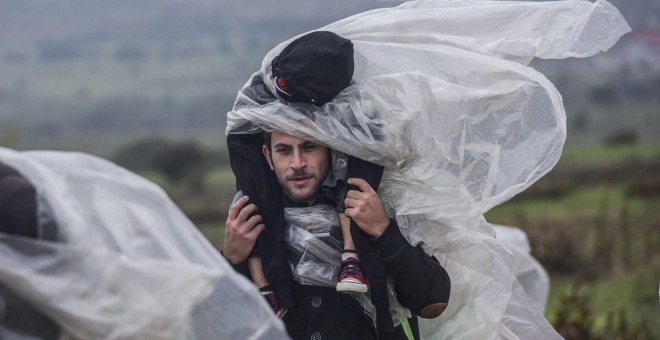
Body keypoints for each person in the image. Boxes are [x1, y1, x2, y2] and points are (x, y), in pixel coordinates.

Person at [223, 130, 451, 340]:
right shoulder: (251, 222)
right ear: (267, 156)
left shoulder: (374, 203)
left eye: (309, 147)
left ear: (331, 151)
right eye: (284, 150)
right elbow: (214, 320)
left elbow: (432, 298)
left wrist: (382, 229)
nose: (297, 163)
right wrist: (231, 260)